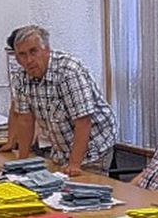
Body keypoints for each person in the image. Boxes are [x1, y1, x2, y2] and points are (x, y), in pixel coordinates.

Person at [11, 25, 117, 176]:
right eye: (22, 54)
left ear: (47, 49)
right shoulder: (21, 78)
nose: (28, 60)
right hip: (61, 149)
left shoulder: (69, 71)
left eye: (33, 52)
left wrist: (74, 164)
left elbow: (83, 121)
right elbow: (25, 120)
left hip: (94, 145)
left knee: (82, 192)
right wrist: (22, 162)